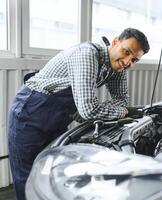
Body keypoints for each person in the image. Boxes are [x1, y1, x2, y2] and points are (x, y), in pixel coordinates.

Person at [8, 27, 149, 200]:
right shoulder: (88, 54)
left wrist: (100, 110)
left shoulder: (117, 66)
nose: (128, 62)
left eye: (134, 60)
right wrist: (122, 112)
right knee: (27, 176)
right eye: (126, 52)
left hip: (59, 115)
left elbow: (120, 99)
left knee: (52, 169)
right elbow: (90, 110)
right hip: (30, 110)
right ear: (115, 42)